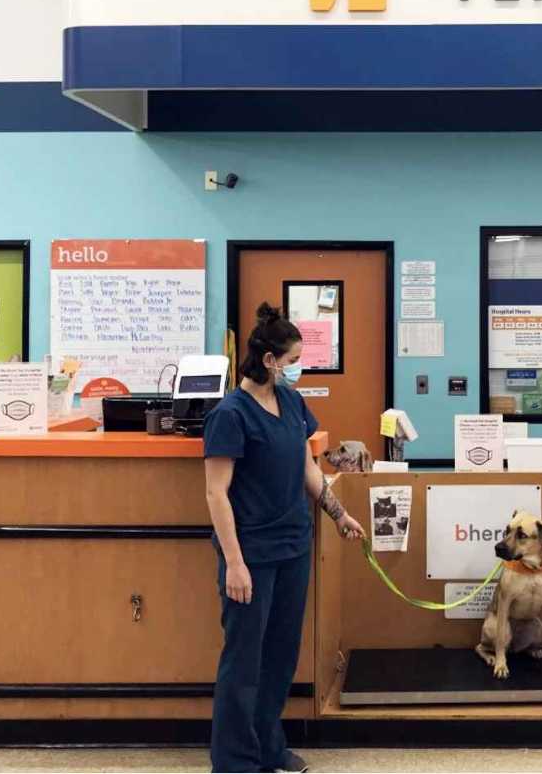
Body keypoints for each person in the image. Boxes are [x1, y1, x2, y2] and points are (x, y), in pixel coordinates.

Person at [204, 303, 364, 774]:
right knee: (244, 659)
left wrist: (339, 514)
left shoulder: (292, 403)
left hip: (294, 545)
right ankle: (235, 761)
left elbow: (307, 468)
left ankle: (269, 747)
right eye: (293, 360)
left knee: (280, 656)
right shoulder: (230, 414)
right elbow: (216, 493)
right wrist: (234, 562)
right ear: (271, 360)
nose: (299, 368)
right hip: (251, 553)